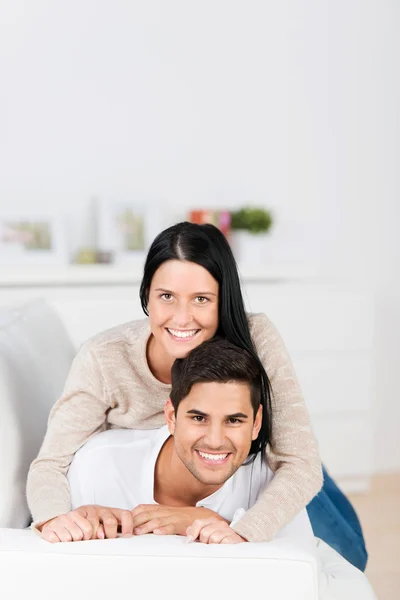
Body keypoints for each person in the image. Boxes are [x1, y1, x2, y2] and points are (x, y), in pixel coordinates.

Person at [27, 221, 366, 568]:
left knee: (345, 556)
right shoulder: (105, 358)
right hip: (172, 481)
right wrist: (54, 518)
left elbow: (298, 462)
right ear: (147, 295)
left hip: (260, 467)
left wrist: (242, 530)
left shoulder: (257, 337)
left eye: (201, 299)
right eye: (166, 297)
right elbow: (51, 462)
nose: (182, 318)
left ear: (223, 300)